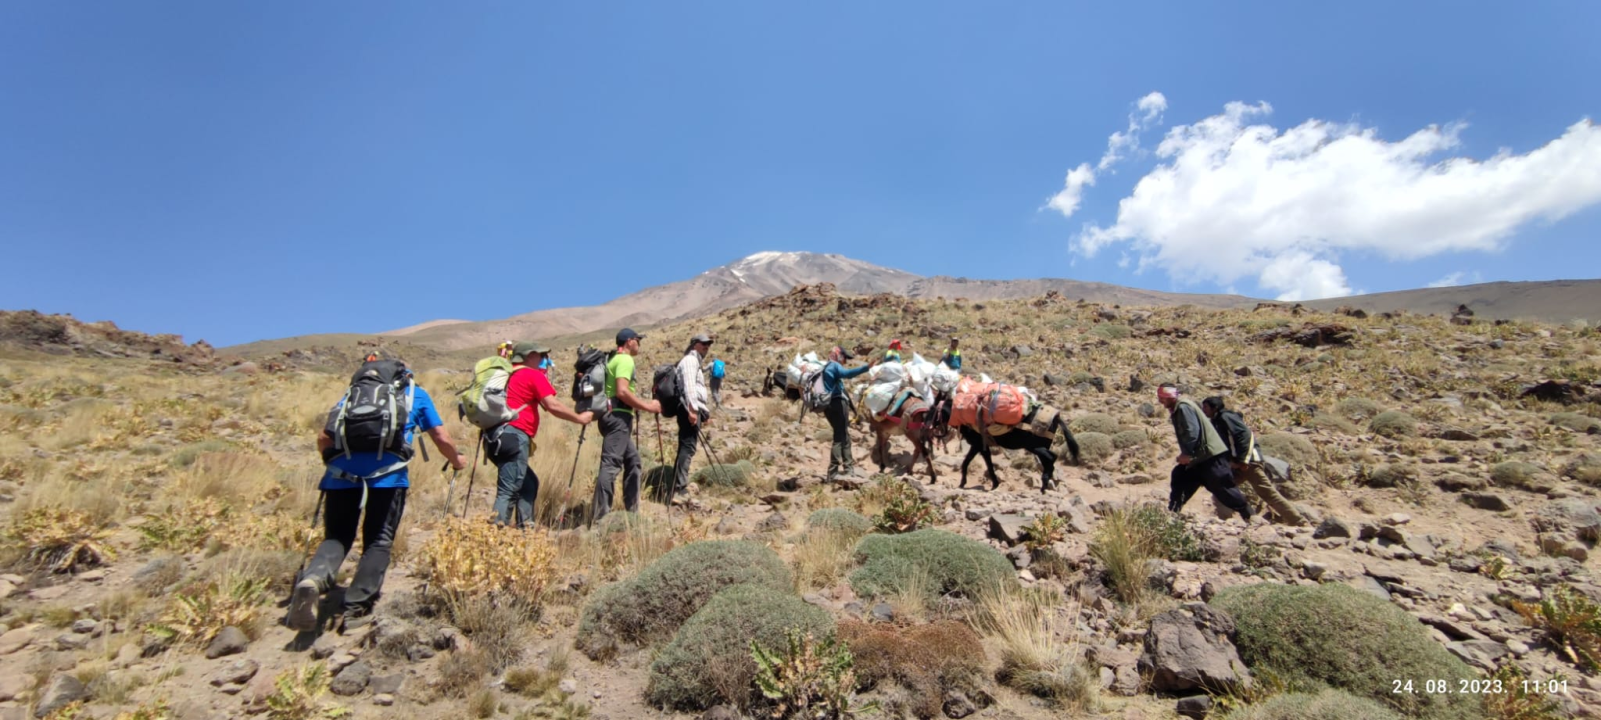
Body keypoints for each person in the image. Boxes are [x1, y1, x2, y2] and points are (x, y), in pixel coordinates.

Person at [289, 359, 467, 633]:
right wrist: (457, 461)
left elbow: (325, 437)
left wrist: (332, 463)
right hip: (388, 476)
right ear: (405, 374)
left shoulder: (354, 393)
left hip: (340, 475)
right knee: (378, 539)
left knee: (337, 536)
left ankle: (314, 578)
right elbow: (440, 437)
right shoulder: (414, 394)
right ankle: (356, 609)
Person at [490, 342, 594, 528]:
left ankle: (525, 529)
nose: (543, 359)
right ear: (529, 355)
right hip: (514, 435)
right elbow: (552, 405)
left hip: (494, 437)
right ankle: (493, 536)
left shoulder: (507, 374)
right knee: (509, 489)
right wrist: (579, 418)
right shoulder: (532, 374)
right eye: (541, 355)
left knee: (528, 484)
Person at [1201, 396, 1305, 526]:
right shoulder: (1216, 421)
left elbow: (1246, 436)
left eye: (1205, 407)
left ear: (1215, 407)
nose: (1203, 409)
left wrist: (1243, 460)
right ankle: (1230, 523)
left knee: (1268, 494)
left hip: (1249, 463)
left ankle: (1300, 522)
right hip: (1236, 465)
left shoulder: (1226, 417)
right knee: (1221, 489)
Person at [593, 328, 661, 521]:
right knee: (611, 465)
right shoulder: (625, 360)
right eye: (638, 340)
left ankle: (632, 512)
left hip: (612, 416)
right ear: (629, 341)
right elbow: (622, 391)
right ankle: (600, 518)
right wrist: (648, 406)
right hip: (618, 418)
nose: (639, 344)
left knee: (633, 461)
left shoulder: (614, 359)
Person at [1158, 384, 1253, 521]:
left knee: (1223, 487)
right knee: (1181, 477)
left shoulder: (1183, 407)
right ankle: (1172, 513)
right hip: (1200, 458)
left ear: (1170, 397)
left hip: (1210, 456)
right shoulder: (1180, 408)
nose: (1160, 401)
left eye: (1162, 397)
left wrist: (1187, 453)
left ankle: (1250, 517)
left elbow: (1192, 432)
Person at [670, 334, 713, 504]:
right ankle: (679, 489)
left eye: (708, 344)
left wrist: (703, 411)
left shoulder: (695, 362)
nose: (706, 347)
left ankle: (677, 486)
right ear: (694, 345)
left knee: (686, 447)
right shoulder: (690, 360)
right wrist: (693, 410)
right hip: (688, 409)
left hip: (690, 408)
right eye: (703, 344)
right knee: (687, 447)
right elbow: (689, 386)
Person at [823, 346, 876, 481]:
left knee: (844, 435)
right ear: (839, 355)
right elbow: (847, 374)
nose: (845, 361)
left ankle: (848, 468)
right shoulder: (834, 366)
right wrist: (866, 367)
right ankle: (833, 471)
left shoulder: (825, 368)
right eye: (844, 358)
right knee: (839, 436)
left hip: (828, 405)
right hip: (837, 403)